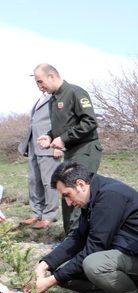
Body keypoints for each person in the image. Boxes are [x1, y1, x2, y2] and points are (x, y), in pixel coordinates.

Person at [33, 161, 138, 293]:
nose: (67, 203)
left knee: (93, 264)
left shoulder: (110, 196)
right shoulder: (93, 197)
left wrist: (50, 281)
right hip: (130, 262)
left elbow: (95, 248)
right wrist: (46, 263)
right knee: (62, 271)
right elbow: (78, 237)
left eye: (67, 195)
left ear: (80, 185)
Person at [33, 64, 102, 234]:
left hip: (86, 149)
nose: (40, 87)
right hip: (71, 151)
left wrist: (62, 139)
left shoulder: (75, 92)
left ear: (51, 76)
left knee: (75, 191)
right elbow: (62, 126)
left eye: (41, 82)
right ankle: (70, 239)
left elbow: (90, 122)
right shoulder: (53, 99)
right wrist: (50, 136)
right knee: (66, 192)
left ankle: (76, 241)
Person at [17, 91, 62, 229]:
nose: (39, 84)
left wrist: (58, 145)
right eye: (36, 81)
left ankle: (49, 216)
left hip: (49, 145)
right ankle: (36, 213)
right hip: (33, 144)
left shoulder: (57, 97)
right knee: (33, 180)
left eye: (40, 80)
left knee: (49, 182)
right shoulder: (40, 99)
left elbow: (60, 121)